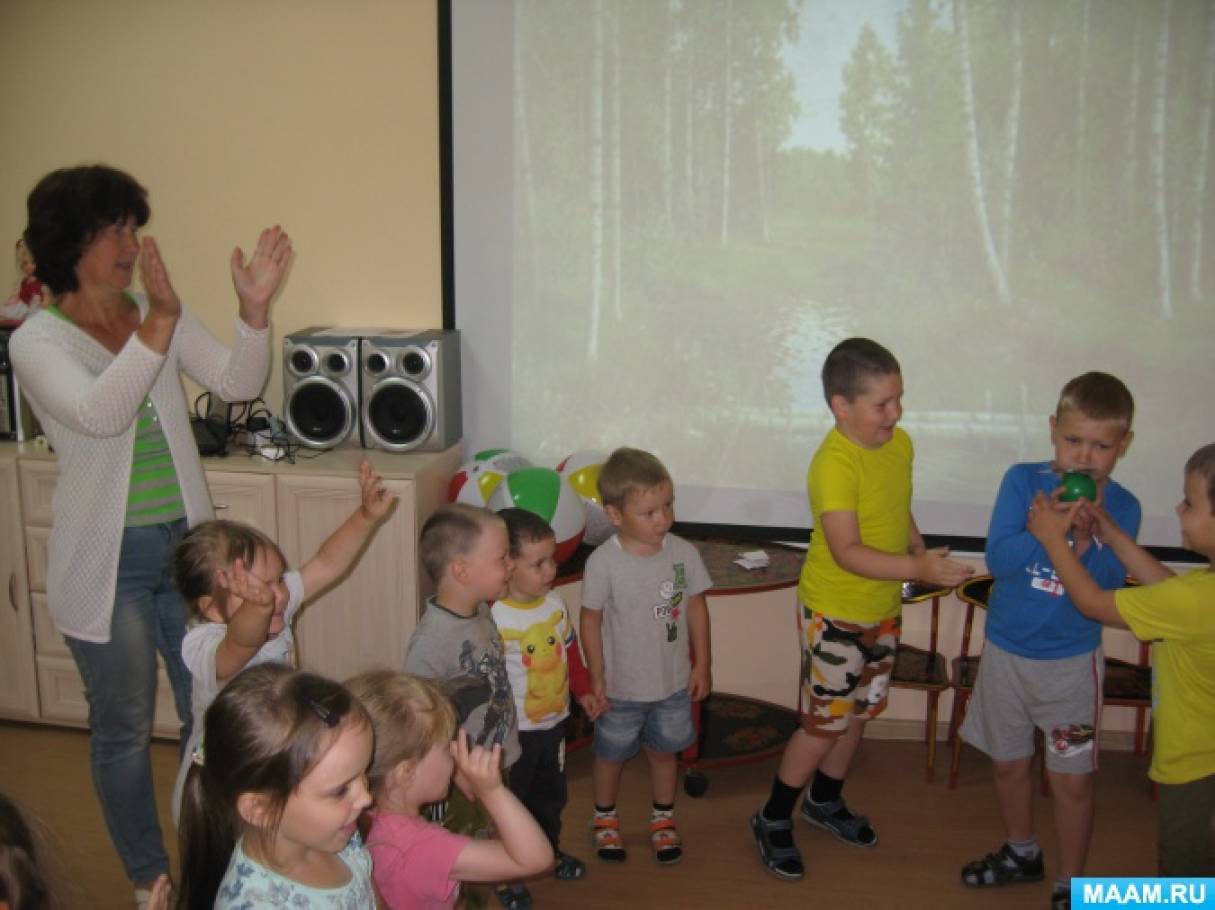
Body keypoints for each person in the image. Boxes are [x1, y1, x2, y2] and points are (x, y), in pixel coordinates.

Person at [8, 164, 291, 904]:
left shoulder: (149, 310)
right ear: (70, 240)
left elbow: (235, 383)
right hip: (110, 562)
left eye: (133, 226)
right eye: (113, 229)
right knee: (125, 726)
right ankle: (148, 879)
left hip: (186, 551)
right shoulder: (38, 340)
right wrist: (157, 323)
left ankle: (222, 855)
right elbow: (102, 412)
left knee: (213, 709)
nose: (130, 243)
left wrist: (253, 312)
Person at [750, 337, 972, 882]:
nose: (896, 414)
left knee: (859, 714)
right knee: (825, 724)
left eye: (899, 399)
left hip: (880, 607)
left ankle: (825, 801)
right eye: (883, 404)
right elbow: (847, 551)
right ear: (840, 406)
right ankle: (773, 816)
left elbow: (897, 509)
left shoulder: (899, 445)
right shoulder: (834, 463)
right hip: (835, 613)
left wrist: (917, 549)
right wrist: (917, 570)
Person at [960, 372, 1140, 910]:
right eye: (1073, 441)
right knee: (1009, 763)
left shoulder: (1122, 507)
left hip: (1069, 667)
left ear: (1123, 445)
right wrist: (1048, 532)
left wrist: (1084, 543)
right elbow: (1000, 561)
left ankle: (1072, 884)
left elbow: (1107, 589)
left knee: (1072, 780)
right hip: (1007, 655)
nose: (1085, 457)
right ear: (1052, 432)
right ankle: (1021, 852)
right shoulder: (1021, 483)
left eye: (1101, 446)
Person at [169, 458, 394, 822]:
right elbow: (240, 646)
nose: (277, 593)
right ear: (212, 609)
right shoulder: (203, 643)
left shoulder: (274, 603)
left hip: (275, 750)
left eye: (277, 580)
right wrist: (258, 609)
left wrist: (366, 517)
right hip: (222, 777)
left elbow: (326, 562)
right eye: (256, 590)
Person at [1028, 442, 1215, 878]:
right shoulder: (1199, 595)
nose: (1178, 507)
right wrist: (1111, 534)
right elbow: (1170, 592)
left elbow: (1093, 602)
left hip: (1195, 771)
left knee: (1186, 880)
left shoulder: (1194, 602)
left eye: (1189, 502)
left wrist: (1054, 541)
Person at [579, 447, 712, 867]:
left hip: (672, 682)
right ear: (615, 515)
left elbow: (695, 608)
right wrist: (596, 675)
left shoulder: (683, 553)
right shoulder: (603, 562)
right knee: (610, 754)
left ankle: (662, 816)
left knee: (664, 752)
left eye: (667, 506)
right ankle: (604, 818)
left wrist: (703, 664)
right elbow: (590, 619)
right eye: (650, 511)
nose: (664, 518)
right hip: (620, 687)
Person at [347, 671, 554, 909]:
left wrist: (453, 773)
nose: (456, 753)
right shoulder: (422, 848)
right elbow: (536, 859)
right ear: (406, 772)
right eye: (447, 748)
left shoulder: (357, 821)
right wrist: (492, 792)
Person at [176, 664, 375, 909]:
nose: (365, 797)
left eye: (363, 773)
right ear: (260, 809)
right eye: (340, 790)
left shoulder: (339, 831)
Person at [404, 503, 522, 906]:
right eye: (502, 556)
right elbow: (423, 723)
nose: (511, 564)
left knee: (489, 831)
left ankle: (496, 878)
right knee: (460, 853)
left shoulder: (481, 610)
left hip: (487, 760)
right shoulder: (432, 642)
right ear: (461, 570)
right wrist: (458, 775)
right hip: (461, 776)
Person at [490, 508, 605, 907]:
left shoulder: (555, 605)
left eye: (552, 559)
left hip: (553, 725)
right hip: (511, 735)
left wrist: (584, 689)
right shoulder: (493, 617)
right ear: (506, 565)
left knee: (550, 796)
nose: (550, 570)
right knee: (511, 803)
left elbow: (570, 656)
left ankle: (548, 849)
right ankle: (507, 873)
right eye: (537, 563)